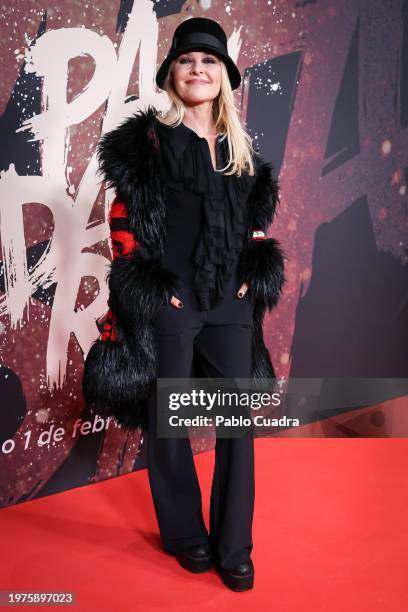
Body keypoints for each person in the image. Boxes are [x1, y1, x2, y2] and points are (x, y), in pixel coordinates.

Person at [82, 17, 286, 592]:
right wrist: (153, 286)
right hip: (172, 300)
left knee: (235, 425)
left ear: (225, 76)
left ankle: (234, 545)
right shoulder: (148, 143)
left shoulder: (240, 151)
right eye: (188, 60)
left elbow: (249, 225)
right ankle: (183, 534)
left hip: (230, 304)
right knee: (168, 424)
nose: (199, 69)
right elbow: (125, 226)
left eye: (211, 61)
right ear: (172, 72)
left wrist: (253, 268)